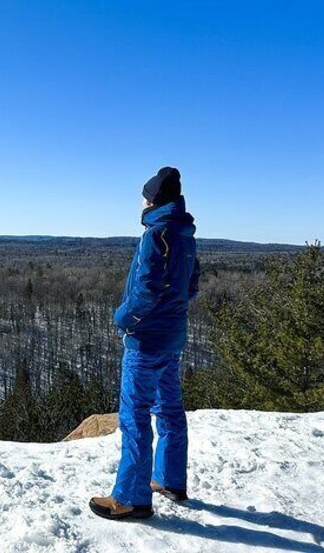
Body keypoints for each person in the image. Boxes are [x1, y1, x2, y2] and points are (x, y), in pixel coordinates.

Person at [89, 166, 201, 521]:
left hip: (147, 339)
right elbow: (191, 285)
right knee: (169, 408)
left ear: (153, 199)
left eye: (144, 195)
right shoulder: (185, 234)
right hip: (172, 337)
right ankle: (170, 480)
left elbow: (146, 289)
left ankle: (131, 498)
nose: (141, 200)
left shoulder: (156, 234)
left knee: (135, 416)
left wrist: (123, 318)